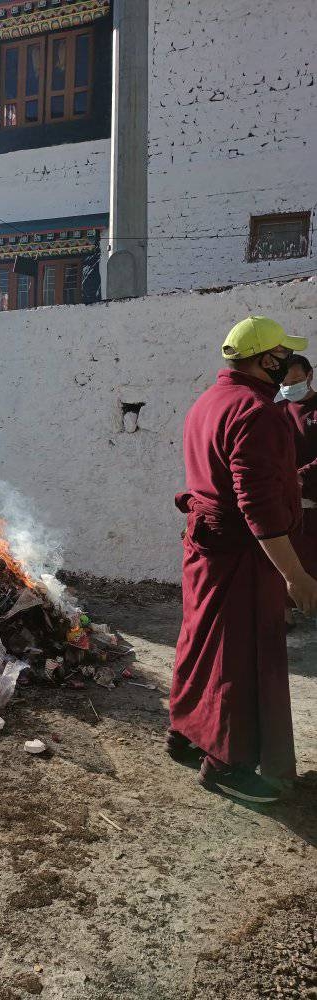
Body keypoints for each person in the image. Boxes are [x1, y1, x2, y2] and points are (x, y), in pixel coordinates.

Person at [168, 316, 317, 804]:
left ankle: (187, 734)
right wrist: (294, 574)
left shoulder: (208, 402)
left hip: (206, 546)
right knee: (242, 657)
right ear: (264, 359)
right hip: (242, 554)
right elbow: (258, 505)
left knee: (201, 640)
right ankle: (228, 765)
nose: (285, 365)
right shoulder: (257, 411)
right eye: (280, 356)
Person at [280, 355, 317, 583]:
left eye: (295, 382)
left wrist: (301, 476)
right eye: (284, 384)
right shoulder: (276, 410)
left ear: (310, 376)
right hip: (288, 504)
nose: (290, 388)